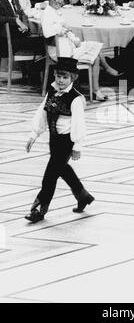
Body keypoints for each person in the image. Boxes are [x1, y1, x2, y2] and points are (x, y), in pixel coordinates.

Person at [24, 57, 95, 223]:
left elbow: (79, 123)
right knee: (62, 169)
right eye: (58, 76)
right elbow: (43, 112)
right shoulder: (51, 90)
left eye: (65, 77)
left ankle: (39, 210)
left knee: (49, 177)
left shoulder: (75, 98)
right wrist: (34, 134)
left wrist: (77, 145)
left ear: (73, 78)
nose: (61, 80)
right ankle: (83, 196)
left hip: (66, 142)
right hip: (54, 140)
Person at [41, 0, 118, 101]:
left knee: (95, 51)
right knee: (96, 52)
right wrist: (63, 29)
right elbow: (48, 33)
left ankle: (97, 89)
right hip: (59, 52)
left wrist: (74, 38)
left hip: (66, 46)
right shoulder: (47, 13)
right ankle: (103, 76)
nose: (60, 2)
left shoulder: (56, 11)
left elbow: (67, 30)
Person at [0, 0, 44, 69]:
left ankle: (31, 74)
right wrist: (15, 20)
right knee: (44, 42)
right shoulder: (1, 1)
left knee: (42, 38)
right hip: (7, 43)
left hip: (18, 36)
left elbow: (23, 15)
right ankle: (38, 75)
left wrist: (26, 26)